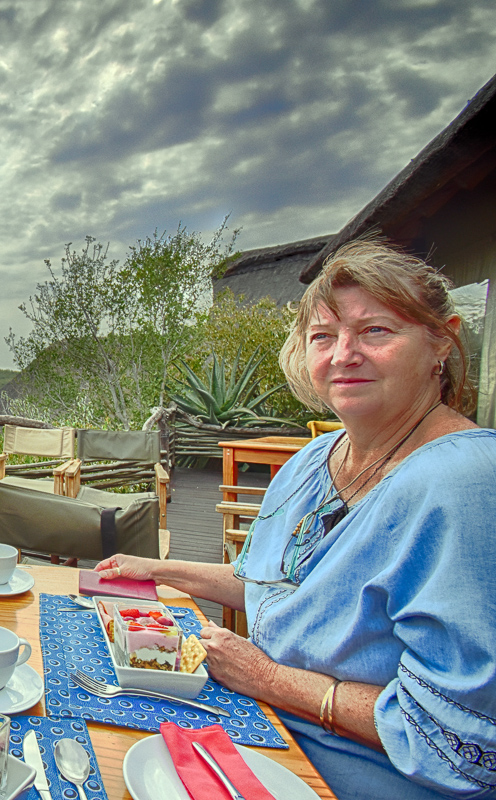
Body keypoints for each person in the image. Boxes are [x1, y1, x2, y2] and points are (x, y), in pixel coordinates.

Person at [96, 239, 496, 799]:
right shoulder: (313, 459)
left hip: (345, 773)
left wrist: (270, 680)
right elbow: (270, 584)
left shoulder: (468, 483)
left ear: (440, 341)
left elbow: (459, 736)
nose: (343, 354)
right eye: (323, 336)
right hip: (263, 728)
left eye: (376, 330)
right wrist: (160, 570)